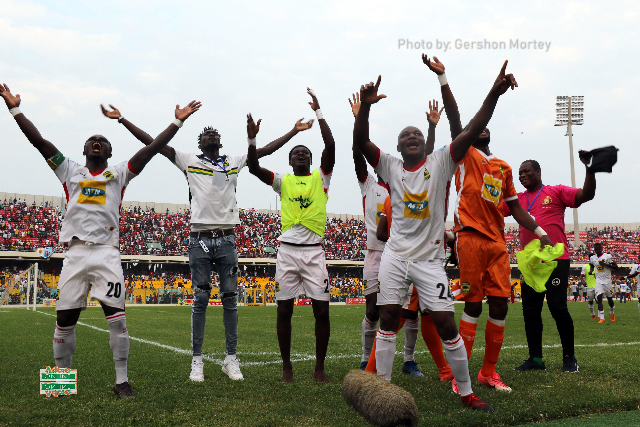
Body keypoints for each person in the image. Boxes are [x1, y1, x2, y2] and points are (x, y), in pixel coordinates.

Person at [0, 82, 200, 398]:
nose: (97, 142)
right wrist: (14, 108)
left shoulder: (120, 174)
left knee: (117, 320)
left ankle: (121, 382)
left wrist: (177, 121)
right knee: (65, 319)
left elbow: (150, 150)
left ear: (110, 153)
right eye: (92, 140)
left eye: (103, 141)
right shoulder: (69, 170)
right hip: (76, 254)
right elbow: (38, 141)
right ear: (83, 151)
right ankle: (60, 383)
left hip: (107, 254)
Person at [101, 102, 313, 383]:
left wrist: (292, 131)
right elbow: (152, 144)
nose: (211, 135)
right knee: (200, 300)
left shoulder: (232, 162)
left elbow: (262, 152)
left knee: (230, 301)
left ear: (220, 142)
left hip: (226, 238)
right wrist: (123, 119)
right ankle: (197, 360)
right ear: (199, 142)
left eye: (215, 133)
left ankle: (231, 359)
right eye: (206, 134)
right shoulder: (188, 160)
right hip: (199, 239)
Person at [354, 58, 520, 412]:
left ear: (424, 144)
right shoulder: (389, 165)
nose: (412, 136)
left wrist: (494, 92)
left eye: (417, 134)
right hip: (395, 256)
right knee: (388, 318)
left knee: (446, 324)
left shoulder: (441, 162)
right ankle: (382, 392)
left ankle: (466, 391)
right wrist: (364, 109)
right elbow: (361, 141)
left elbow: (474, 125)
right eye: (405, 135)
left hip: (430, 260)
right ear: (398, 148)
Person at [424, 55, 552, 392]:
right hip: (468, 238)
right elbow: (455, 118)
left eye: (484, 126)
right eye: (475, 126)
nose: (480, 128)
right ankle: (462, 377)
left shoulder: (504, 167)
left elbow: (516, 209)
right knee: (472, 305)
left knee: (499, 305)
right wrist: (443, 78)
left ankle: (487, 373)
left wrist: (540, 232)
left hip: (497, 243)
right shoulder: (464, 154)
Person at [247, 88, 335, 383]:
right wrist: (253, 140)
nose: (301, 154)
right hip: (287, 251)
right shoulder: (282, 181)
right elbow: (253, 165)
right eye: (296, 153)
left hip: (314, 251)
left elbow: (331, 145)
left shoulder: (320, 178)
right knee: (284, 311)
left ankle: (319, 366)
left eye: (305, 152)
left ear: (311, 160)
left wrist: (319, 112)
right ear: (289, 161)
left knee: (321, 312)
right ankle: (287, 365)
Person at [505, 158, 595, 372]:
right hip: (531, 264)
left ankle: (569, 358)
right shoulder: (516, 200)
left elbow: (586, 195)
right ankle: (536, 359)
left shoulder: (555, 192)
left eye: (526, 171)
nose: (522, 175)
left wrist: (590, 170)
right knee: (530, 311)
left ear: (538, 171)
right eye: (519, 173)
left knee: (558, 307)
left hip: (556, 260)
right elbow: (490, 208)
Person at [364, 194, 454, 381]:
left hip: (416, 259)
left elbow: (382, 233)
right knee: (402, 316)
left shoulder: (393, 196)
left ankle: (444, 369)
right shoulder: (423, 193)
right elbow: (385, 233)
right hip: (415, 260)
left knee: (425, 314)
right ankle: (370, 372)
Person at [590, 242, 619, 323]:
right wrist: (591, 270)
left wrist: (605, 264)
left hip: (607, 281)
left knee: (610, 299)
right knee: (599, 297)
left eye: (598, 249)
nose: (596, 251)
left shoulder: (608, 256)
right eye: (595, 249)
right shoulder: (592, 258)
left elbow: (616, 267)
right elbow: (592, 265)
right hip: (598, 281)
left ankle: (612, 313)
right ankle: (602, 318)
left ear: (601, 249)